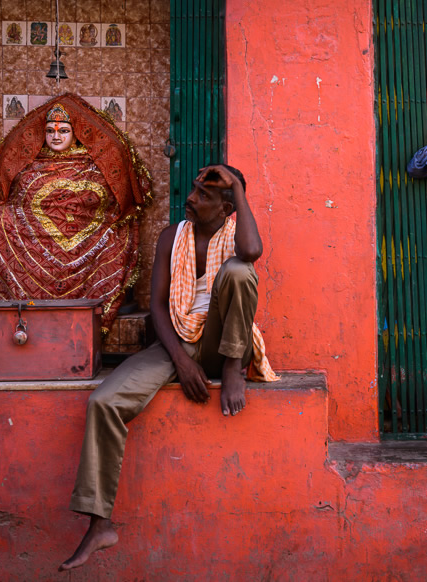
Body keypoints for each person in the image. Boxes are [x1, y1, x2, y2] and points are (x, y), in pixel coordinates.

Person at [59, 164, 276, 571]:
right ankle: (99, 522)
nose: (191, 199)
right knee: (103, 403)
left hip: (220, 345)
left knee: (239, 271)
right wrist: (179, 359)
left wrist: (238, 192)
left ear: (227, 206)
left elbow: (251, 253)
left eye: (205, 195)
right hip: (175, 341)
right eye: (194, 190)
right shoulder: (170, 237)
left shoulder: (235, 232)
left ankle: (233, 368)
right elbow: (158, 308)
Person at [0, 94, 151, 333]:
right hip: (33, 233)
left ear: (76, 134)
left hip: (84, 230)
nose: (56, 136)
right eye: (50, 131)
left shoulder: (91, 164)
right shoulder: (32, 163)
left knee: (115, 231)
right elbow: (19, 201)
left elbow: (105, 197)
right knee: (0, 220)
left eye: (63, 131)